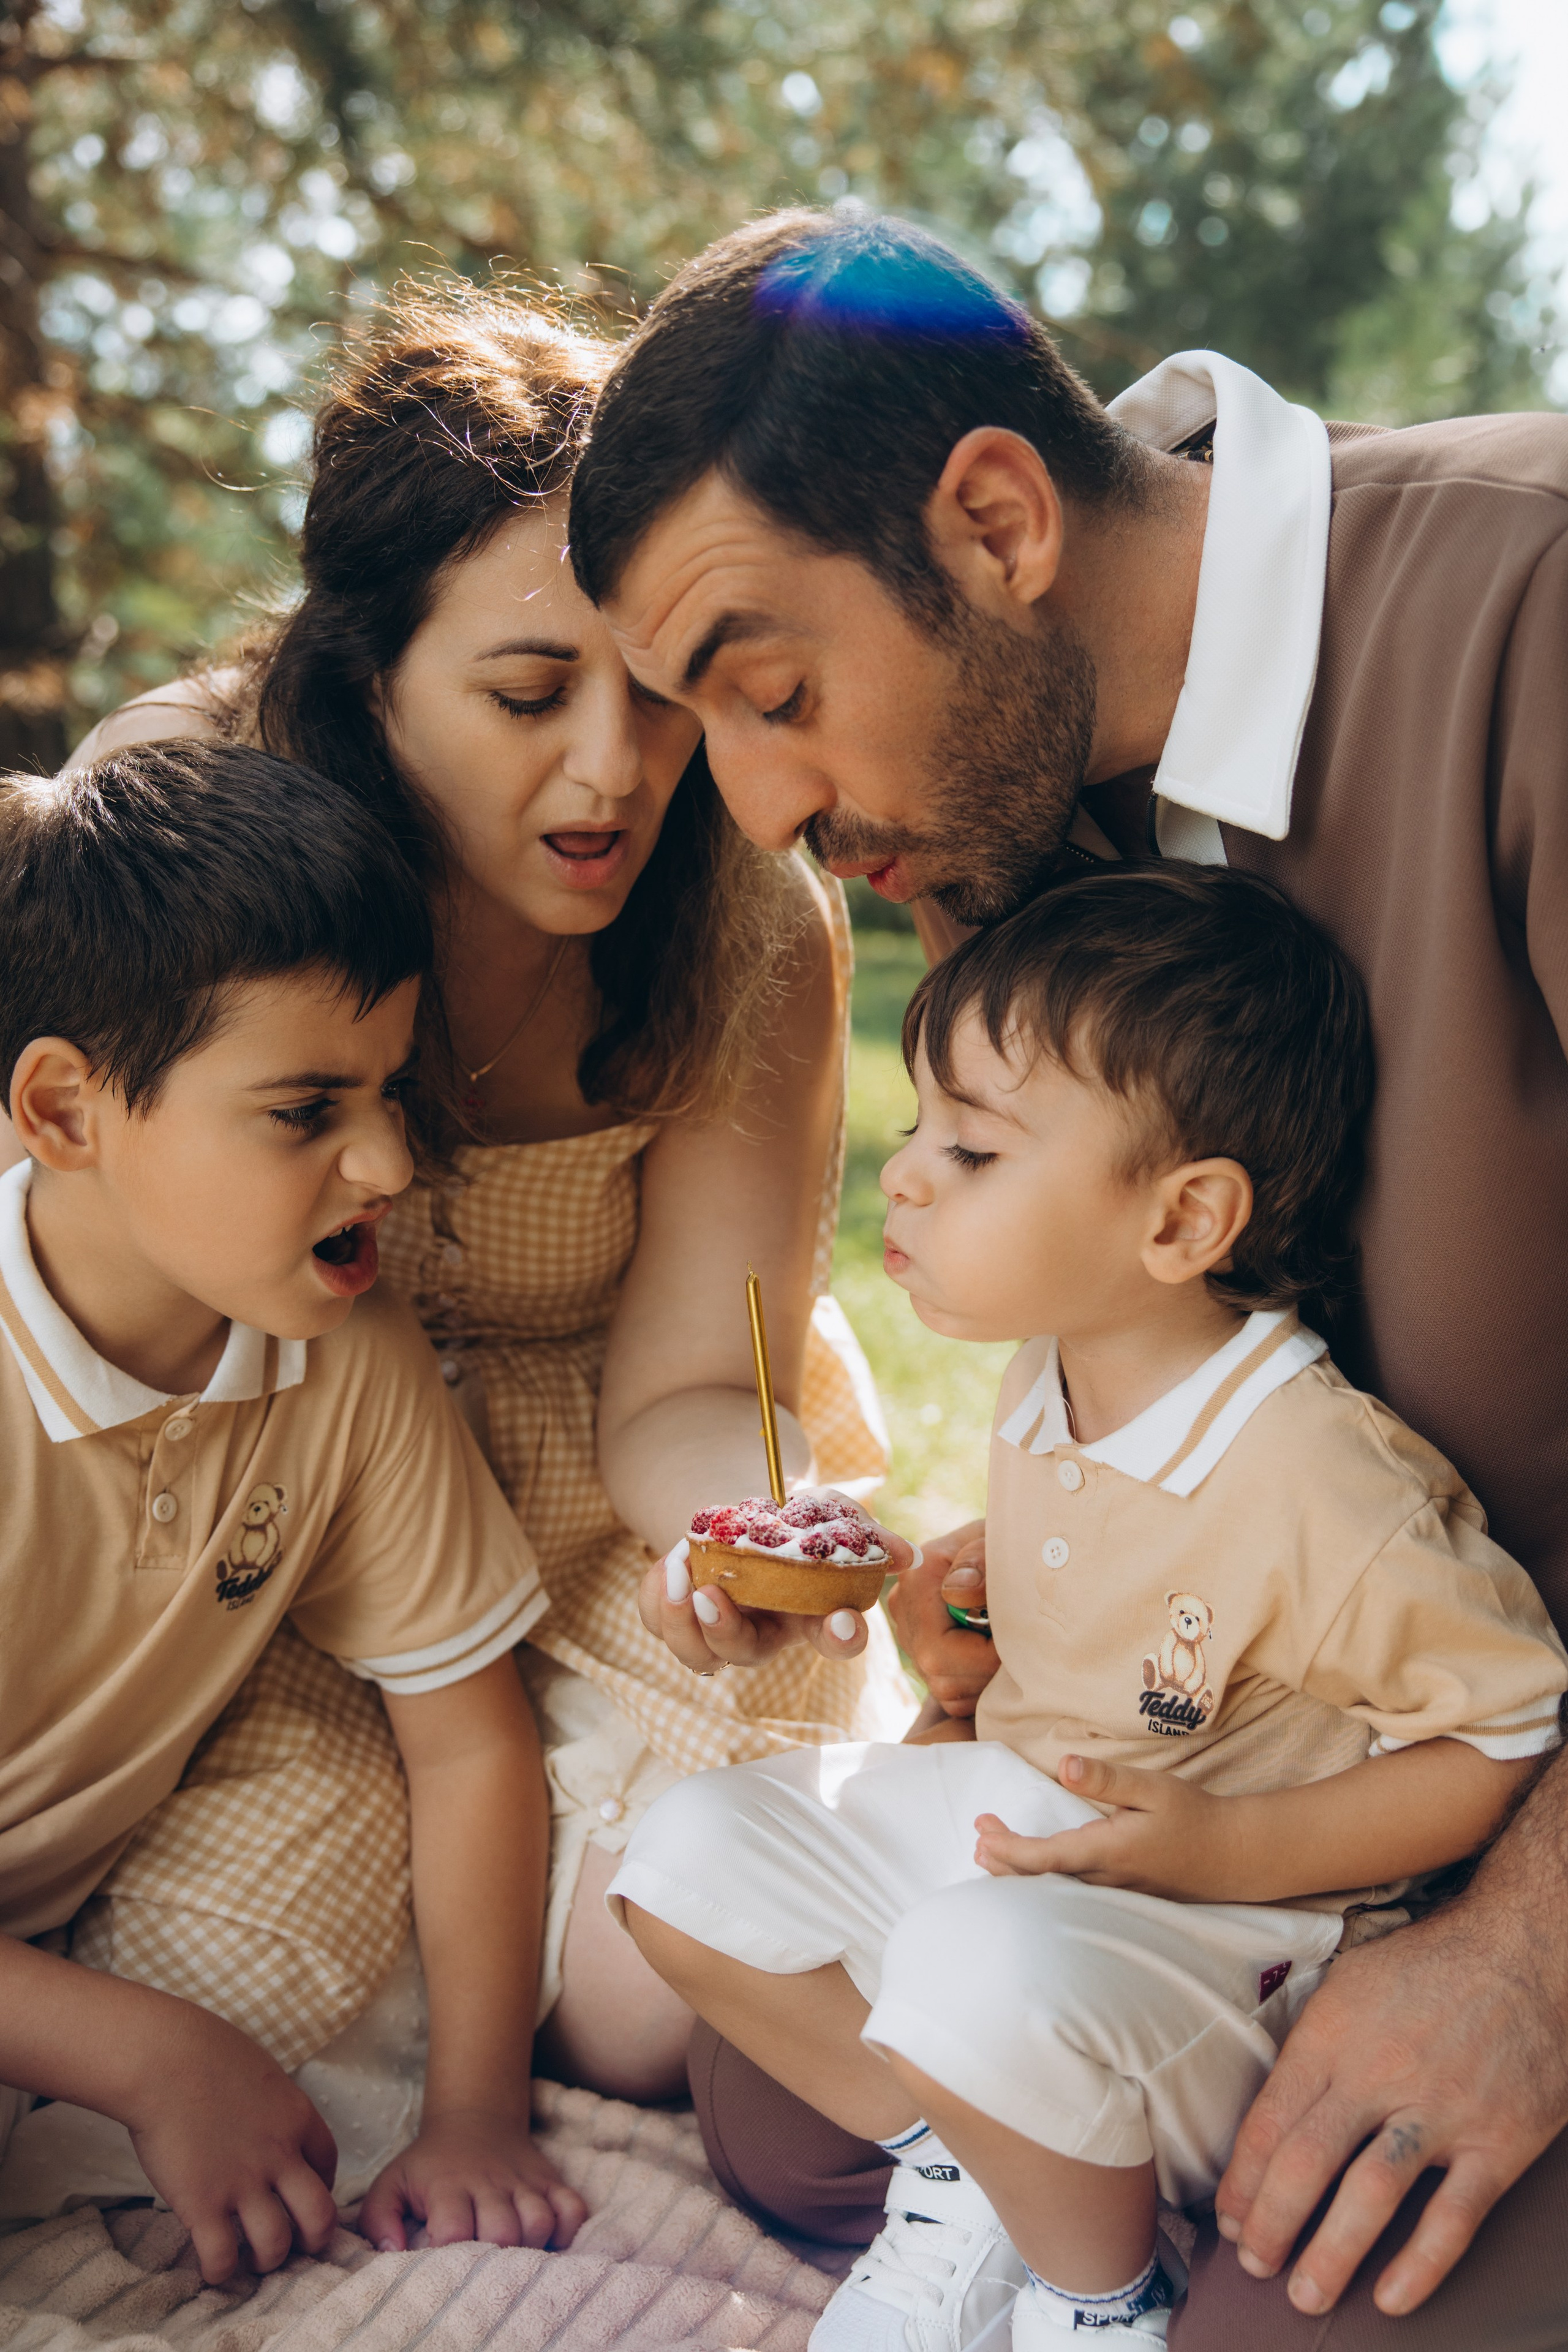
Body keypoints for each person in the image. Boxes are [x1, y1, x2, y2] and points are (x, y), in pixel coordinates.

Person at [566, 208, 1568, 2339]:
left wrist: (1522, 1965)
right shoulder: (1031, 828)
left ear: (1000, 518)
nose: (756, 806)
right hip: (1223, 1840)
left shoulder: (1538, 607)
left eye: (773, 692)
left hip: (1514, 1809)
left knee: (1313, 2279)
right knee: (792, 2077)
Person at [61, 282, 913, 2109]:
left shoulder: (747, 918)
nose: (616, 771)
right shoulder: (187, 827)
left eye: (660, 697)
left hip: (621, 1493)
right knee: (227, 1986)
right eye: (529, 693)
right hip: (284, 1508)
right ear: (364, 669)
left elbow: (698, 1381)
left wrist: (731, 1536)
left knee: (656, 1998)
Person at [619, 865, 1567, 2351]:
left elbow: (1501, 1734)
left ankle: (1096, 2296)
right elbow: (1117, 1559)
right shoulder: (1051, 1368)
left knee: (958, 1961)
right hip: (1041, 1841)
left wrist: (1226, 1843)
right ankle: (963, 2167)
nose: (908, 1172)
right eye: (919, 1126)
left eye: (974, 1150)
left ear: (1182, 1221)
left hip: (1243, 1934)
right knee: (677, 1861)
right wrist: (965, 1614)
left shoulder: (1318, 1478)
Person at [0, 739, 593, 2280]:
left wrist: (474, 2118)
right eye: (303, 1108)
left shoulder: (344, 1355)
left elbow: (467, 1742)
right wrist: (145, 2056)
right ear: (64, 1111)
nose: (388, 1160)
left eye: (389, 1088)